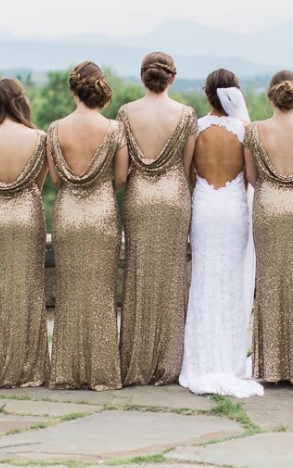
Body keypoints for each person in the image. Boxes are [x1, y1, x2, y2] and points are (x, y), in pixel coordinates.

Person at [180, 69, 264, 398]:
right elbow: (251, 176)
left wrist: (204, 189)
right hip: (232, 210)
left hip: (204, 208)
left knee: (203, 280)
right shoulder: (244, 130)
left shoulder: (195, 128)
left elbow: (188, 171)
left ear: (207, 94)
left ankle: (201, 359)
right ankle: (229, 360)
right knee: (229, 284)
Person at [46, 61, 129, 390]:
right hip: (101, 213)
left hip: (68, 213)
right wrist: (100, 189)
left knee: (69, 293)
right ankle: (102, 371)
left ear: (72, 90)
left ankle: (67, 371)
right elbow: (121, 177)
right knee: (101, 293)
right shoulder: (113, 129)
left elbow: (54, 178)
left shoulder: (55, 129)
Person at [117, 52, 197, 386]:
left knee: (139, 274)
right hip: (174, 198)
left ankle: (136, 360)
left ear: (142, 77)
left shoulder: (125, 113)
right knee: (172, 276)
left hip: (138, 199)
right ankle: (170, 361)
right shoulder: (186, 115)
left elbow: (122, 169)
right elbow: (187, 167)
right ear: (172, 79)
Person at [0, 78, 50, 388]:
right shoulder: (39, 138)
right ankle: (28, 367)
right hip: (27, 214)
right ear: (21, 102)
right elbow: (38, 184)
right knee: (28, 288)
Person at [245, 70, 293, 384]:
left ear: (270, 96)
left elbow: (252, 177)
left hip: (268, 206)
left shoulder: (254, 130)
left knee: (270, 282)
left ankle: (272, 367)